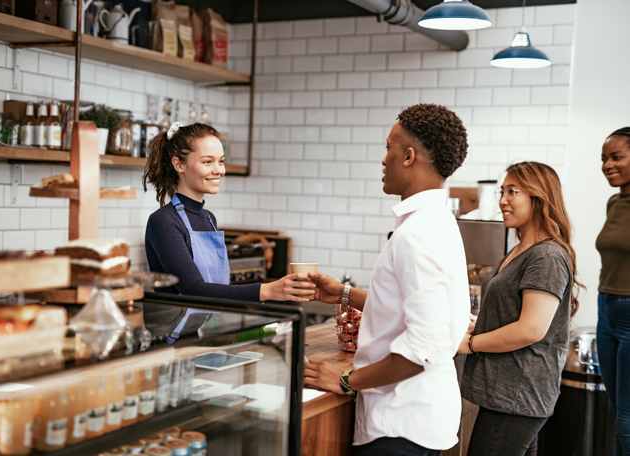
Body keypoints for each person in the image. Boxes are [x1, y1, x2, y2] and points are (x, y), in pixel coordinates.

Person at [304, 103, 470, 456]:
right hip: (420, 419)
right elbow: (407, 305)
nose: (383, 160)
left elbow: (425, 346)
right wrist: (346, 294)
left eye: (388, 148)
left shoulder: (417, 234)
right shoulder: (437, 220)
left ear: (408, 156)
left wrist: (347, 380)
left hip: (400, 425)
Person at [458, 161, 583, 456]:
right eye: (502, 191)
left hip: (518, 394)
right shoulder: (521, 249)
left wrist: (472, 344)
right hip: (509, 392)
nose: (502, 199)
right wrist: (482, 324)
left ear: (539, 198)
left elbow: (530, 329)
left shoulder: (547, 255)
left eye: (512, 191)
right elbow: (516, 314)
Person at [142, 122, 314, 304]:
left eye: (221, 161)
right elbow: (193, 289)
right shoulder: (163, 221)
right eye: (207, 161)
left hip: (207, 327)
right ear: (179, 164)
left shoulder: (209, 218)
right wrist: (268, 290)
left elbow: (217, 285)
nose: (218, 170)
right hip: (175, 330)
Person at [596, 127, 630, 456]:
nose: (607, 164)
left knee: (627, 419)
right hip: (605, 308)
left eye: (617, 157)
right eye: (604, 158)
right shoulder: (614, 203)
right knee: (617, 411)